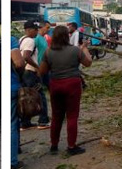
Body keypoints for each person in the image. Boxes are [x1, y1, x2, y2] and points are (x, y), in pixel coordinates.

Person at [39, 26, 92, 156]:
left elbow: (42, 71)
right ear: (67, 36)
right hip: (72, 84)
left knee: (57, 116)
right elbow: (88, 63)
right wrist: (84, 48)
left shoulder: (48, 52)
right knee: (72, 116)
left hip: (55, 85)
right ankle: (71, 146)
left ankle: (54, 145)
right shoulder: (75, 50)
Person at [19, 20, 48, 129]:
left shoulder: (22, 39)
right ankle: (43, 121)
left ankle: (25, 122)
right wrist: (37, 67)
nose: (37, 31)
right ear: (29, 30)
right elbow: (26, 56)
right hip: (30, 72)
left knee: (26, 97)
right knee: (40, 96)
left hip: (24, 72)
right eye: (35, 30)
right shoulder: (30, 41)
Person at [10, 35, 26, 169]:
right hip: (11, 85)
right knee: (12, 124)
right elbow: (19, 63)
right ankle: (12, 162)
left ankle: (15, 149)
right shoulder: (9, 39)